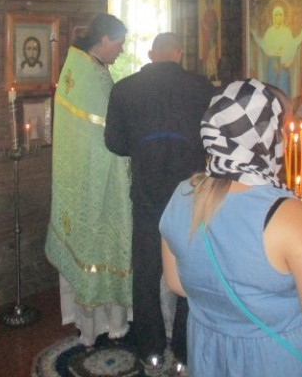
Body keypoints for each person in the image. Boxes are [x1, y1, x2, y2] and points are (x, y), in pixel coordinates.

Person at [160, 79, 302, 376]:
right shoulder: (288, 216)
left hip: (211, 355)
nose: (287, 140)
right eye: (283, 130)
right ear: (266, 137)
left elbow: (178, 283)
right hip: (277, 361)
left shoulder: (183, 194)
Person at [105, 32, 215, 372]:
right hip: (190, 191)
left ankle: (150, 347)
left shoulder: (124, 88)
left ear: (152, 53)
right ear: (179, 53)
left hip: (147, 190)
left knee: (146, 269)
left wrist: (144, 148)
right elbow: (213, 137)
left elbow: (113, 142)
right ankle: (184, 349)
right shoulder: (202, 88)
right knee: (190, 265)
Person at [45, 13, 133, 347]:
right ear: (105, 39)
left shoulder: (77, 66)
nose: (121, 51)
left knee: (89, 245)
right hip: (99, 182)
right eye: (119, 44)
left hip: (78, 177)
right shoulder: (92, 76)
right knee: (101, 243)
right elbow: (109, 135)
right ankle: (109, 325)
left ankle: (89, 327)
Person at [251, 4, 302, 99]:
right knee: (272, 86)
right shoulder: (270, 31)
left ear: (283, 16)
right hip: (272, 62)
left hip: (283, 62)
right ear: (273, 17)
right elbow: (264, 45)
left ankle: (284, 105)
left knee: (283, 85)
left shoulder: (286, 31)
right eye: (276, 15)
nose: (278, 17)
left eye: (280, 15)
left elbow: (292, 45)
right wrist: (255, 35)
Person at [200, 0, 220, 81]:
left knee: (213, 56)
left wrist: (215, 25)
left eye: (211, 3)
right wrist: (206, 28)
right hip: (208, 38)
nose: (209, 4)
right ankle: (208, 73)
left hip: (213, 38)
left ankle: (215, 74)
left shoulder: (214, 13)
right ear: (207, 4)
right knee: (208, 56)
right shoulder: (205, 13)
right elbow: (203, 24)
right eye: (208, 3)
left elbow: (217, 25)